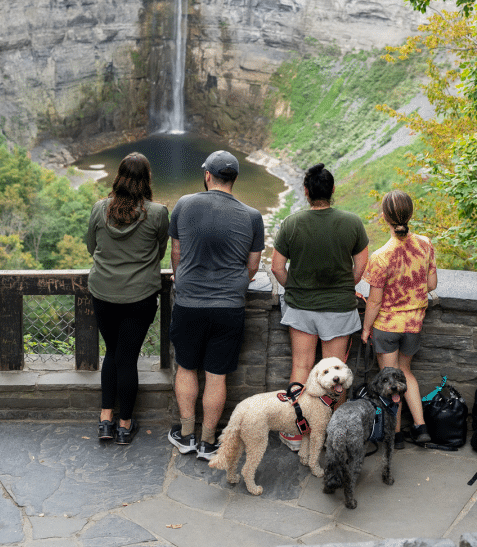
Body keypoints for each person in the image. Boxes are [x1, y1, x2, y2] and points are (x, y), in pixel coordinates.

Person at [167, 150, 265, 461]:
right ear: (234, 179)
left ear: (208, 176)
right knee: (216, 375)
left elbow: (177, 254)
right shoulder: (252, 216)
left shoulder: (184, 204)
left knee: (186, 368)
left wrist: (181, 278)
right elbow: (252, 267)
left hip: (188, 302)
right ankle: (208, 442)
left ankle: (185, 435)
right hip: (228, 306)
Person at [271, 163, 369, 450]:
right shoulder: (352, 222)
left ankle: (293, 433)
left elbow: (277, 268)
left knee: (300, 367)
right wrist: (342, 287)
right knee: (335, 375)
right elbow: (360, 267)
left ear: (305, 192)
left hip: (301, 307)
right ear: (333, 190)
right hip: (339, 308)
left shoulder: (291, 223)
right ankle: (334, 435)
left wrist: (295, 288)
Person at [85, 152, 169, 445]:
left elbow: (91, 247)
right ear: (147, 179)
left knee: (112, 352)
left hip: (103, 292)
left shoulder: (100, 209)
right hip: (140, 296)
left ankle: (105, 420)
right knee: (127, 357)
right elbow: (159, 252)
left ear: (118, 176)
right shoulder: (157, 213)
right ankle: (124, 424)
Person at [361, 190, 437, 448]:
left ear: (385, 218)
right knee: (407, 374)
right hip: (414, 324)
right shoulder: (426, 244)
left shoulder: (381, 256)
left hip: (387, 326)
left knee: (390, 379)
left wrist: (365, 329)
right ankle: (420, 426)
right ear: (411, 214)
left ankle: (395, 435)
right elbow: (431, 283)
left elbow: (374, 301)